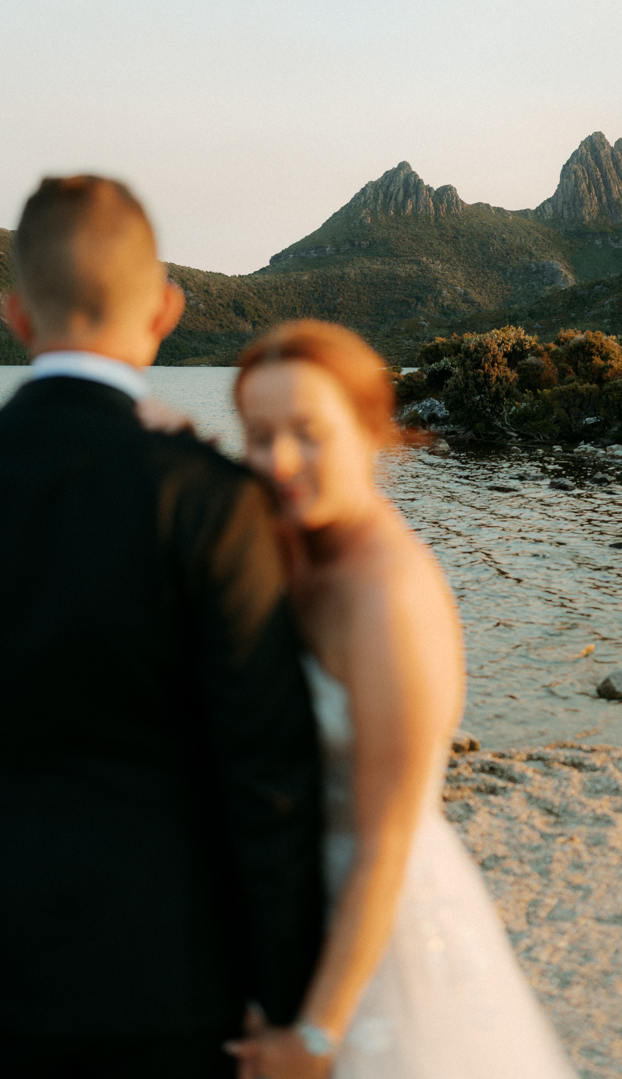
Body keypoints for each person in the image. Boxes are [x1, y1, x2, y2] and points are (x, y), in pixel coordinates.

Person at [0, 178, 324, 1079]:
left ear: (16, 314)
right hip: (164, 988)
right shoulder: (209, 499)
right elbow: (269, 776)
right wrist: (291, 1010)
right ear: (168, 309)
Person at [223, 321, 578, 1079]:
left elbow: (388, 841)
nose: (279, 460)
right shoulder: (299, 541)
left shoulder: (390, 594)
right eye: (259, 436)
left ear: (367, 429)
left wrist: (317, 1037)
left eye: (307, 433)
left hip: (382, 936)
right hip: (301, 906)